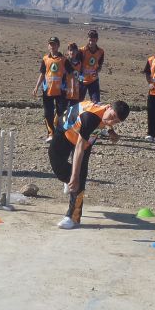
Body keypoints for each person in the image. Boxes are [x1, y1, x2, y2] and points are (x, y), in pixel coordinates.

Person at [49, 100, 130, 229]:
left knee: (80, 177)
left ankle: (72, 217)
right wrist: (73, 177)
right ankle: (69, 179)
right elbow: (78, 149)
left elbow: (82, 147)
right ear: (108, 107)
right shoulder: (90, 118)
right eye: (113, 116)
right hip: (65, 131)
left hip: (84, 141)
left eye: (116, 122)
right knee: (58, 165)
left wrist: (110, 131)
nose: (112, 121)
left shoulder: (105, 111)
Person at [33, 36, 72, 142]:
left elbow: (70, 74)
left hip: (61, 91)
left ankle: (61, 133)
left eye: (54, 44)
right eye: (50, 44)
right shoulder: (45, 59)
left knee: (61, 113)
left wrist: (70, 87)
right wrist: (36, 87)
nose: (52, 46)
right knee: (48, 114)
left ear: (58, 46)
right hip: (47, 91)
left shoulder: (64, 60)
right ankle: (51, 134)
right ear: (48, 46)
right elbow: (42, 74)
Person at [79, 29, 105, 102]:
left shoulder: (101, 51)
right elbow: (78, 65)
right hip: (82, 80)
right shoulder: (82, 50)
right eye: (90, 39)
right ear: (88, 38)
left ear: (97, 39)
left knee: (96, 102)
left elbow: (100, 64)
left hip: (93, 80)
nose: (91, 41)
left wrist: (97, 71)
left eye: (93, 39)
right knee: (78, 102)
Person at [64, 42, 84, 106]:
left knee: (73, 110)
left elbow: (81, 76)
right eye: (70, 50)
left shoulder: (79, 63)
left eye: (74, 50)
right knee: (61, 111)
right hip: (65, 90)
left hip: (75, 92)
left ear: (77, 52)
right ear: (68, 52)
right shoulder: (64, 62)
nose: (72, 52)